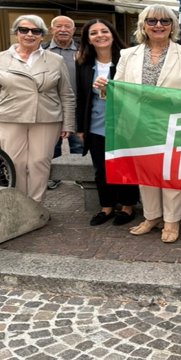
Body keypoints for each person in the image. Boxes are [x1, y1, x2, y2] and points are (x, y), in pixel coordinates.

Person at [97, 5, 181, 243]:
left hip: (173, 122)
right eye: (152, 21)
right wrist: (105, 89)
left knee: (172, 173)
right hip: (138, 123)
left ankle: (172, 221)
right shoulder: (128, 54)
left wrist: (162, 99)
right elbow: (118, 90)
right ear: (143, 25)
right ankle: (152, 217)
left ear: (172, 26)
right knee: (145, 173)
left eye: (165, 21)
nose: (158, 25)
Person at [0, 15, 75, 202]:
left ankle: (35, 205)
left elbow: (66, 94)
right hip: (9, 117)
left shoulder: (55, 60)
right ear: (16, 33)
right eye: (24, 30)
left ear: (42, 35)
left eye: (36, 31)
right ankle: (20, 205)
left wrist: (68, 123)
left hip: (46, 117)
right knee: (15, 163)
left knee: (39, 162)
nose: (29, 34)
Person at [76, 19, 139, 227]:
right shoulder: (84, 63)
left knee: (125, 165)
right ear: (88, 39)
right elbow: (81, 96)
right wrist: (80, 127)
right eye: (93, 33)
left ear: (113, 35)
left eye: (104, 31)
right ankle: (106, 206)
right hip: (96, 124)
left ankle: (128, 206)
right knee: (101, 168)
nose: (100, 35)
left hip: (124, 123)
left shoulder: (127, 59)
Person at [43, 15, 83, 189]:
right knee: (52, 145)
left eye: (67, 27)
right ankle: (54, 177)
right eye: (59, 26)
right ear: (51, 29)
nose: (63, 30)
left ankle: (80, 176)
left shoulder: (83, 50)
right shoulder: (41, 51)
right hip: (50, 106)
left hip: (76, 106)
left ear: (73, 30)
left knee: (78, 144)